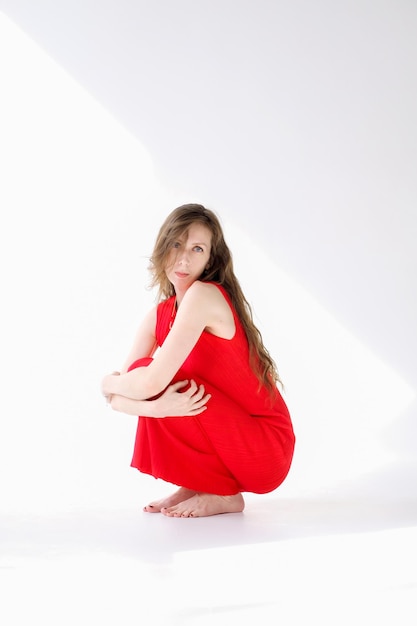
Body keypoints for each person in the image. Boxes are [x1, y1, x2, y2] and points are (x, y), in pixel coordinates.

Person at [101, 204, 295, 517]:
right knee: (143, 374)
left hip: (265, 448)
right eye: (176, 244)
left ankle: (223, 495)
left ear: (209, 260)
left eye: (197, 249)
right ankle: (198, 482)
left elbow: (140, 385)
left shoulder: (204, 295)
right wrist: (155, 408)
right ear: (162, 247)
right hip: (227, 439)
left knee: (158, 379)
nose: (184, 258)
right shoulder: (158, 316)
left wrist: (106, 382)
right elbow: (122, 397)